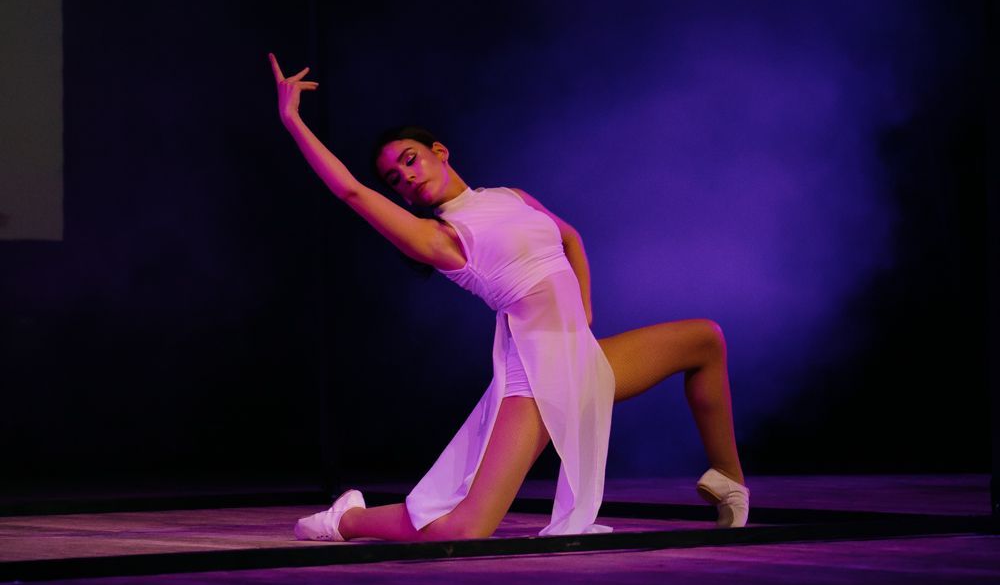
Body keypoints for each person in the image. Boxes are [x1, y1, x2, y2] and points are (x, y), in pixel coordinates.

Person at [268, 53, 749, 542]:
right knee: (467, 530)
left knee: (705, 340)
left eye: (409, 160)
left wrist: (583, 313)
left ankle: (728, 481)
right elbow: (350, 191)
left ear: (439, 151)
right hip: (535, 379)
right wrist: (292, 121)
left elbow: (571, 239)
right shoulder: (439, 238)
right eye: (395, 179)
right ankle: (346, 519)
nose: (406, 177)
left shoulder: (510, 196)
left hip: (581, 361)